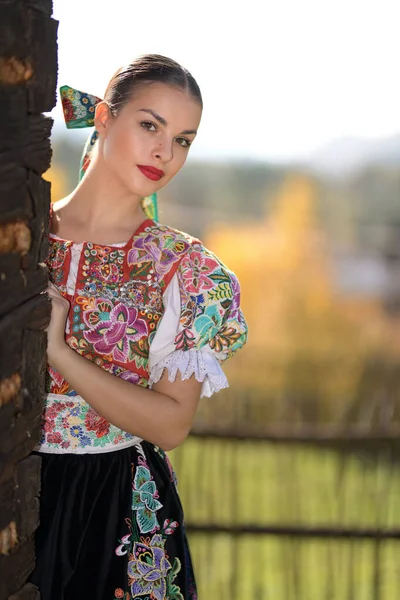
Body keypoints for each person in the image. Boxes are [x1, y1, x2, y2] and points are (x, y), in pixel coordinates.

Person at [30, 54, 248, 600]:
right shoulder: (20, 235)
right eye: (149, 125)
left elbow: (172, 425)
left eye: (182, 140)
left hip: (114, 511)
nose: (163, 152)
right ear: (103, 117)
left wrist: (60, 352)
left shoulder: (186, 269)